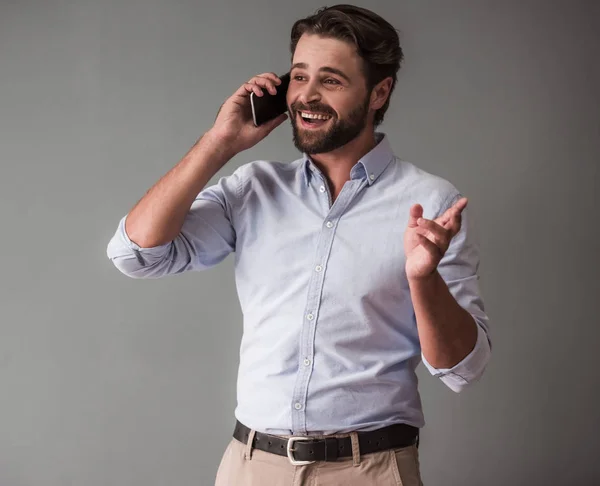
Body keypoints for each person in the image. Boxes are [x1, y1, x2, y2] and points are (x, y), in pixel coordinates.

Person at [106, 4, 492, 485]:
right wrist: (219, 143)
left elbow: (463, 367)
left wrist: (424, 277)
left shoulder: (432, 202)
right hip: (251, 466)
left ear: (380, 92)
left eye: (330, 80)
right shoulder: (253, 188)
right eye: (300, 76)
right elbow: (135, 254)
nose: (306, 96)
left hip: (369, 470)